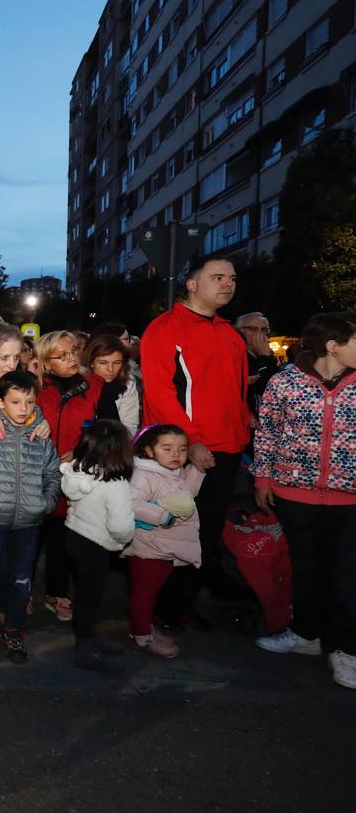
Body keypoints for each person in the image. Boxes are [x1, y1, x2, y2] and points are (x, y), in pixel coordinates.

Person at [140, 254, 250, 628]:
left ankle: (181, 604)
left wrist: (244, 431)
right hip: (186, 452)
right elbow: (159, 394)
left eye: (232, 278)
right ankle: (160, 611)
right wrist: (191, 443)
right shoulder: (165, 328)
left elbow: (237, 395)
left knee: (206, 532)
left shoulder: (231, 334)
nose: (227, 284)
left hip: (229, 450)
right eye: (218, 277)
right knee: (175, 531)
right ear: (191, 284)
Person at [252, 312, 356, 690]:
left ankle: (347, 650)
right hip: (294, 493)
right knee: (306, 569)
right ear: (333, 346)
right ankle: (306, 635)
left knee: (348, 576)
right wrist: (263, 477)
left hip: (351, 499)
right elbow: (266, 434)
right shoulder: (284, 382)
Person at [0, 369, 60, 664]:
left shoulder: (41, 435)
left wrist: (44, 504)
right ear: (2, 401)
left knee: (22, 579)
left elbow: (52, 474)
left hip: (29, 523)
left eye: (29, 402)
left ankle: (14, 631)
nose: (23, 408)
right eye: (16, 401)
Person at [34, 329, 106, 623]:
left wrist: (80, 453)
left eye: (74, 351)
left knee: (63, 540)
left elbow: (107, 433)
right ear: (46, 362)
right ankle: (20, 592)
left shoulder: (95, 386)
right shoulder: (35, 389)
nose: (71, 358)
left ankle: (57, 594)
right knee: (28, 538)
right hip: (36, 475)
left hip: (77, 476)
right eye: (61, 355)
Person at [60, 420, 136, 673]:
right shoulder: (116, 485)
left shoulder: (80, 472)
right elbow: (121, 525)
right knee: (89, 596)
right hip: (95, 543)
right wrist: (125, 540)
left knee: (83, 591)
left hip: (74, 535)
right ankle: (86, 648)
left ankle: (89, 635)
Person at [125, 423, 206, 660]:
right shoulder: (143, 474)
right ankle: (141, 634)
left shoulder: (175, 473)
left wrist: (198, 469)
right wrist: (162, 516)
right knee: (144, 593)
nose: (176, 454)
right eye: (167, 448)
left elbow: (187, 495)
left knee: (153, 592)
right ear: (149, 451)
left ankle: (145, 626)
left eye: (182, 449)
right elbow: (132, 504)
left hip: (165, 547)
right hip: (148, 546)